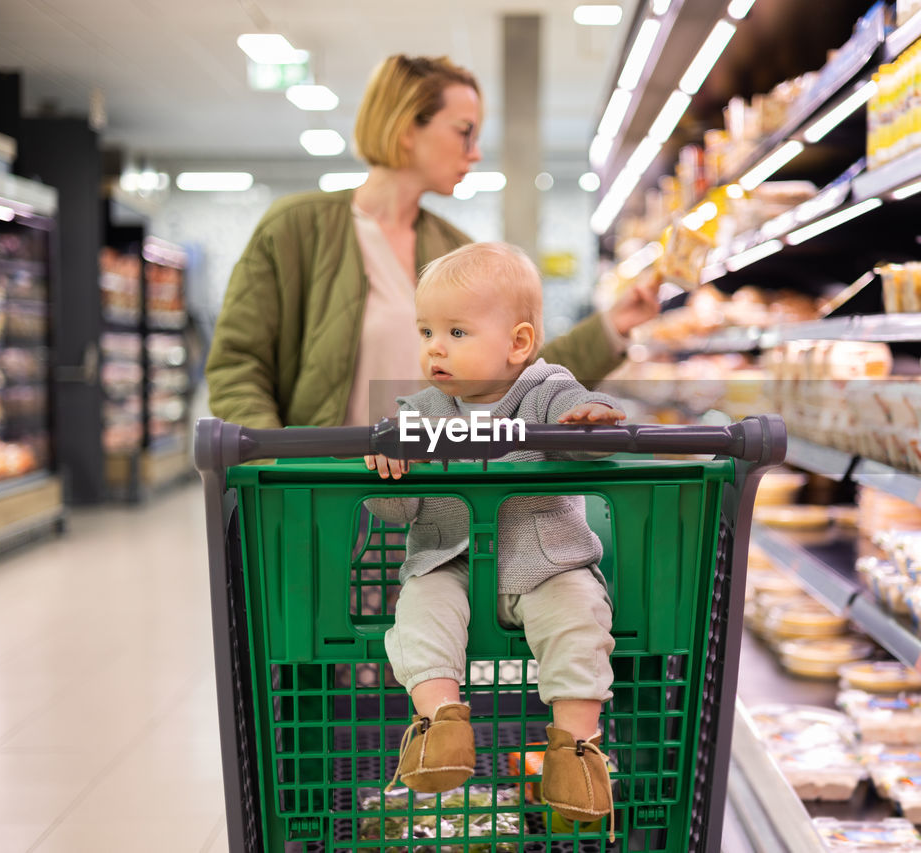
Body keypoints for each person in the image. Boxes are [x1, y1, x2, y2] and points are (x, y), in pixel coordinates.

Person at [205, 54, 660, 430]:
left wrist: (612, 324)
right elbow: (238, 365)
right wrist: (275, 467)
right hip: (327, 494)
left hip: (438, 503)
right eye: (464, 131)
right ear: (407, 127)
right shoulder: (295, 229)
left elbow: (518, 371)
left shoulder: (453, 249)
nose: (476, 152)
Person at [362, 242, 622, 829]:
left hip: (548, 561)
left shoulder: (546, 390)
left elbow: (596, 424)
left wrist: (590, 420)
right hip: (450, 563)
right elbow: (393, 511)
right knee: (417, 611)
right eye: (426, 330)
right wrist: (389, 466)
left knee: (581, 618)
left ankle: (576, 751)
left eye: (456, 331)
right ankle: (439, 726)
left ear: (518, 344)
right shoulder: (420, 411)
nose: (434, 346)